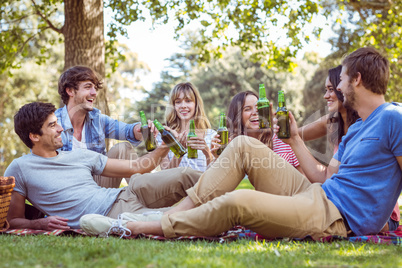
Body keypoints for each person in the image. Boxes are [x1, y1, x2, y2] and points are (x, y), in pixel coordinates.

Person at [80, 47, 402, 239]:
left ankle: (137, 227)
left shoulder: (393, 118)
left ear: (357, 79)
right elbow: (324, 179)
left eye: (342, 79)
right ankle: (171, 214)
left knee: (237, 203)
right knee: (242, 147)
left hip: (337, 217)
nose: (338, 86)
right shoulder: (357, 128)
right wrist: (293, 139)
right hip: (320, 193)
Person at [5, 102, 201, 230]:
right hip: (109, 215)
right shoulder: (20, 168)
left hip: (128, 193)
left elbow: (137, 167)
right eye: (52, 125)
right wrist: (40, 223)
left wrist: (163, 148)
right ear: (34, 136)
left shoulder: (78, 155)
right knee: (178, 217)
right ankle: (224, 212)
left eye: (57, 123)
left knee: (186, 175)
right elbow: (12, 221)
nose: (61, 128)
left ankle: (230, 197)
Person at [284, 65, 399, 231]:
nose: (327, 95)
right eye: (327, 89)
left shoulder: (372, 122)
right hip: (339, 200)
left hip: (377, 212)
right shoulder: (332, 122)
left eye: (332, 89)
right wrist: (272, 134)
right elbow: (296, 135)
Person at [56, 66, 149, 188]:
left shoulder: (97, 119)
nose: (94, 93)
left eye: (94, 88)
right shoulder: (52, 124)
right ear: (70, 91)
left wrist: (140, 129)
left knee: (123, 148)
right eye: (88, 87)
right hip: (69, 190)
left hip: (98, 186)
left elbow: (128, 130)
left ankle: (146, 193)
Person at [212, 91, 303, 174]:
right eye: (247, 109)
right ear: (238, 116)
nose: (255, 112)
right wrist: (217, 158)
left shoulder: (282, 140)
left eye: (258, 107)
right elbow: (219, 183)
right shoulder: (231, 145)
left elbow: (304, 179)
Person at [157, 82, 216, 172]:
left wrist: (207, 153)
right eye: (178, 102)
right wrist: (179, 151)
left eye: (188, 101)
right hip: (176, 185)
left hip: (202, 185)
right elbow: (164, 175)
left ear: (196, 104)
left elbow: (215, 176)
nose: (183, 106)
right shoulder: (165, 136)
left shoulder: (211, 135)